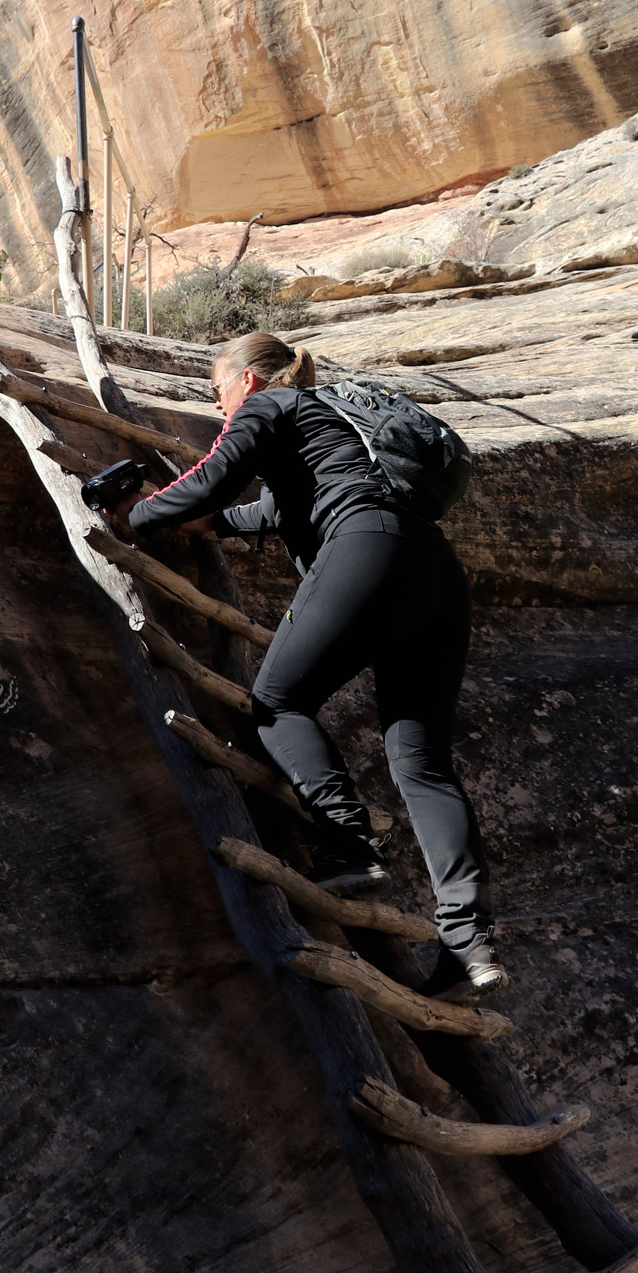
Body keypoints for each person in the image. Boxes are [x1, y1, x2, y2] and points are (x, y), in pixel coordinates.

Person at [120, 330, 505, 1003]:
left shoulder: (270, 407)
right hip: (434, 573)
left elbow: (215, 478)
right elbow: (263, 508)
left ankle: (347, 843)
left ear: (248, 380)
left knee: (276, 699)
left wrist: (138, 516)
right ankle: (468, 945)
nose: (218, 406)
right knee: (421, 762)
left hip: (368, 550)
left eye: (217, 392)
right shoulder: (335, 429)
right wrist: (206, 526)